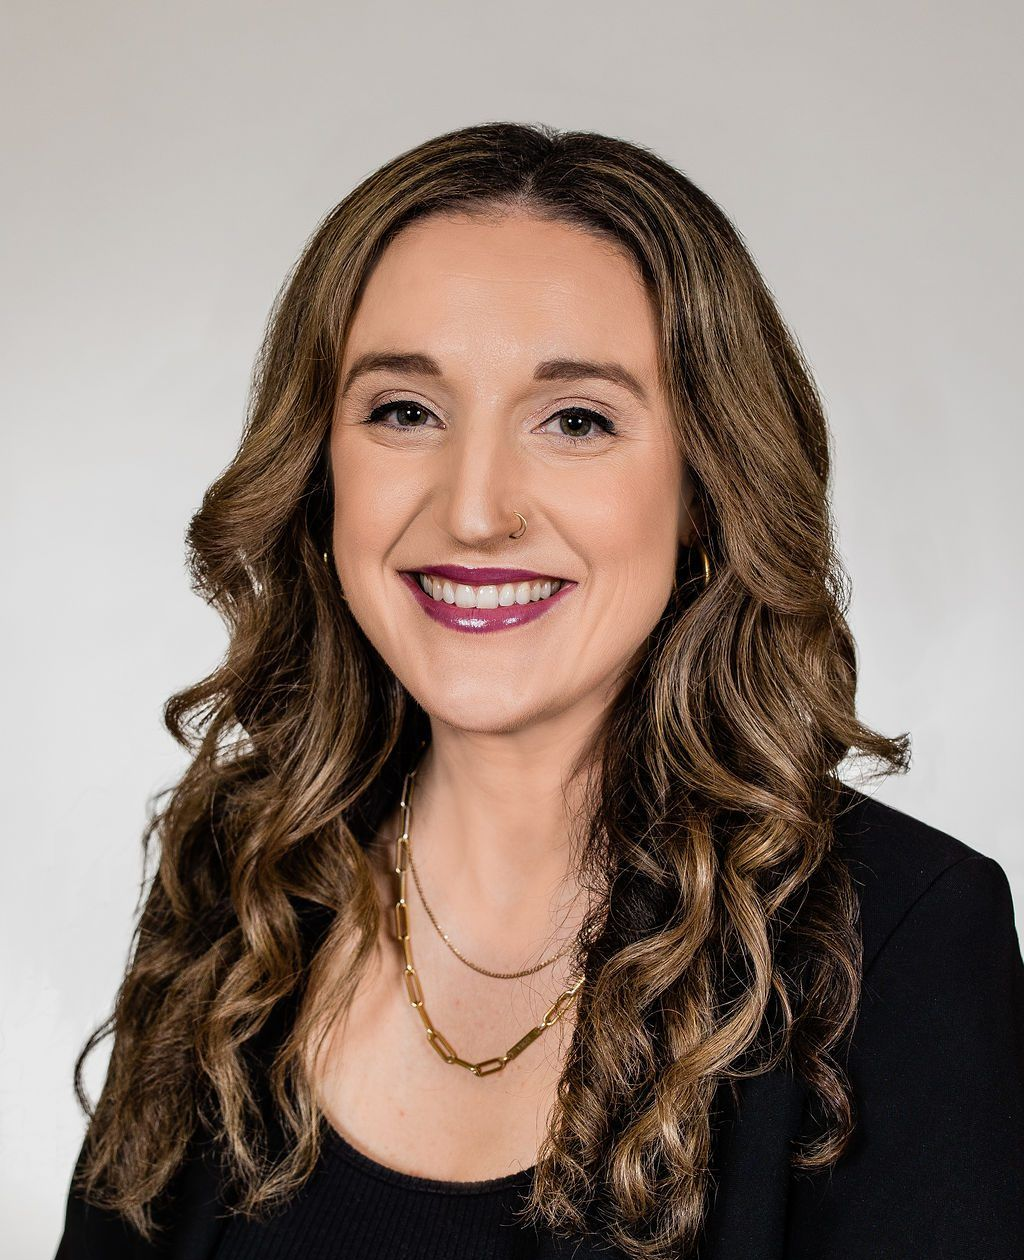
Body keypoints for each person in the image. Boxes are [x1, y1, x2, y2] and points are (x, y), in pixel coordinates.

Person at [54, 121, 1024, 1260]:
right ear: (319, 472)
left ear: (705, 492)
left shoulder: (894, 944)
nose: (474, 510)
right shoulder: (239, 880)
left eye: (576, 421)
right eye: (403, 411)